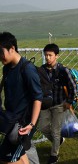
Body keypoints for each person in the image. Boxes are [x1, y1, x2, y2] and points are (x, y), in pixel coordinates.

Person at [0, 32, 42, 164]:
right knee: (19, 154)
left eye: (1, 52)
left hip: (23, 124)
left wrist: (31, 124)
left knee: (7, 159)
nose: (0, 57)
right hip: (11, 120)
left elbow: (37, 98)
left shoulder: (27, 69)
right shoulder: (6, 68)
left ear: (12, 48)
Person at [37, 43, 77, 164]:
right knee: (42, 127)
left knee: (55, 130)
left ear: (57, 56)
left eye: (50, 55)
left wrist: (69, 102)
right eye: (46, 55)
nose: (47, 58)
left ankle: (54, 155)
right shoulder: (41, 70)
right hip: (45, 105)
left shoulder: (63, 70)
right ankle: (58, 140)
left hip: (60, 104)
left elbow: (73, 87)